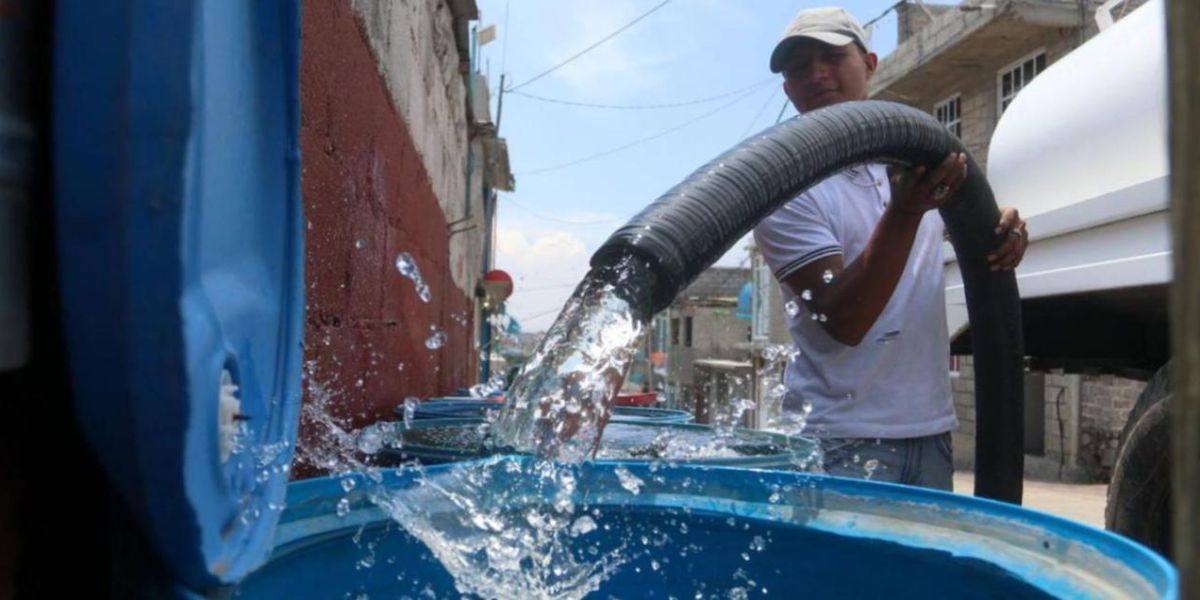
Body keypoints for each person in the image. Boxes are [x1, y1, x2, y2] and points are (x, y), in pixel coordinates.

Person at [753, 7, 1029, 490]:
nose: (816, 73)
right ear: (787, 89)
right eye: (799, 66)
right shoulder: (785, 189)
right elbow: (845, 319)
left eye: (832, 56)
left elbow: (972, 236)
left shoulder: (915, 162)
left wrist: (1002, 234)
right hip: (837, 443)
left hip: (932, 434)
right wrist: (903, 213)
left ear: (870, 64)